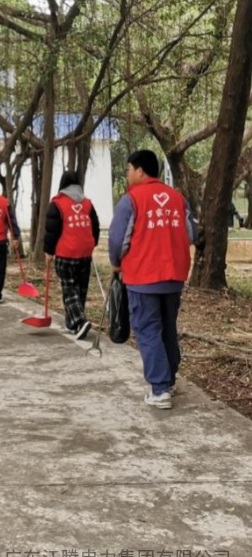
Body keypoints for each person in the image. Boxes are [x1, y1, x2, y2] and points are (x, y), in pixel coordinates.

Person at [109, 149, 197, 410]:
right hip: (174, 275)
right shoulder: (178, 199)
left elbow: (117, 240)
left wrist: (116, 262)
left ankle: (159, 390)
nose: (127, 174)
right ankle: (168, 380)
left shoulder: (131, 200)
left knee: (148, 330)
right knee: (167, 327)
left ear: (140, 170)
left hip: (142, 276)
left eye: (128, 169)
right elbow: (191, 234)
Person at [44, 171, 100, 340]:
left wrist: (49, 252)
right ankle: (72, 323)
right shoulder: (87, 204)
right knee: (81, 289)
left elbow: (51, 231)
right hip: (85, 253)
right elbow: (95, 227)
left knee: (69, 290)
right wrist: (92, 244)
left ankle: (80, 321)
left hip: (66, 253)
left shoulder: (57, 204)